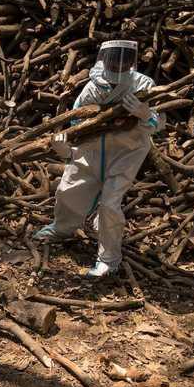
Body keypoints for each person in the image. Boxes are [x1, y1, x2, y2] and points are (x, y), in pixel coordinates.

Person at [33, 40, 165, 277]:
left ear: (132, 60)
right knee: (68, 190)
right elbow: (76, 121)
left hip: (127, 151)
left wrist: (145, 114)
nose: (119, 62)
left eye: (124, 58)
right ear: (105, 59)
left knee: (110, 204)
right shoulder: (94, 85)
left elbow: (156, 124)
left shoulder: (143, 84)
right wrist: (65, 144)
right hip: (91, 149)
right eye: (114, 57)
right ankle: (62, 228)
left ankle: (109, 259)